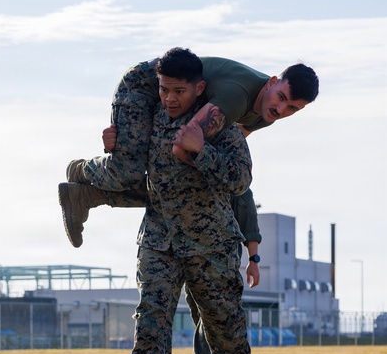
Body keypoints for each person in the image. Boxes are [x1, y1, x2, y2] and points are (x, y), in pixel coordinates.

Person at [112, 47, 255, 354]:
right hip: (159, 238)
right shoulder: (151, 119)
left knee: (222, 318)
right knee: (152, 312)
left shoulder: (219, 123)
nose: (170, 98)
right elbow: (131, 166)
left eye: (179, 91)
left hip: (210, 242)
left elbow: (240, 181)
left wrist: (202, 150)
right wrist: (115, 147)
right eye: (164, 90)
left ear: (199, 87)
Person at [57, 55, 318, 247]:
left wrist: (251, 240)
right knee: (127, 172)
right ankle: (80, 169)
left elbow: (225, 154)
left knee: (191, 185)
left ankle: (87, 195)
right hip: (147, 86)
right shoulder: (237, 96)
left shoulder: (267, 115)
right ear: (272, 82)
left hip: (177, 104)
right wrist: (130, 145)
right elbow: (182, 148)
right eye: (281, 97)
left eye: (292, 108)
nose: (281, 110)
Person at [186, 190, 261, 354]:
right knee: (199, 314)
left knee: (208, 314)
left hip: (221, 259)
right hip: (188, 255)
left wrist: (254, 260)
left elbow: (250, 223)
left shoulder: (233, 180)